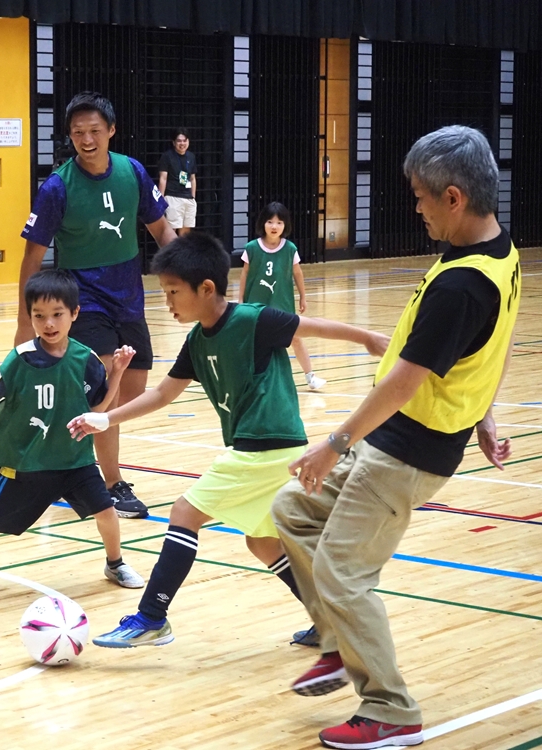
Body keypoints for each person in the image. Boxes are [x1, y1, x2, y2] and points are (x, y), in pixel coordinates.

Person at [271, 125, 519, 750]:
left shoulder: (464, 284)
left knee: (343, 570)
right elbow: (494, 342)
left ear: (455, 197)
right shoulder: (492, 250)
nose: (416, 207)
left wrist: (335, 442)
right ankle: (336, 642)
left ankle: (390, 710)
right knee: (292, 510)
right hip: (400, 441)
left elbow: (405, 382)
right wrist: (486, 413)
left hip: (408, 450)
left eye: (420, 197)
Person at [65, 232, 387, 650]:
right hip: (272, 449)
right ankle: (327, 621)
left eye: (173, 292)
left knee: (184, 512)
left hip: (264, 444)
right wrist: (104, 418)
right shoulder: (197, 340)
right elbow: (162, 394)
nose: (168, 302)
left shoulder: (253, 320)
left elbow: (311, 327)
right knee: (263, 542)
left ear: (207, 289)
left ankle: (151, 616)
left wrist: (366, 338)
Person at [18, 92, 177, 520]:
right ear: (69, 137)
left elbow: (162, 230)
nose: (86, 140)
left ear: (111, 131)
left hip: (129, 296)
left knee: (131, 392)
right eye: (77, 133)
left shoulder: (133, 172)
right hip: (83, 297)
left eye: (94, 131)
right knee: (105, 388)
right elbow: (32, 259)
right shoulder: (56, 187)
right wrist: (23, 324)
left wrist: (187, 274)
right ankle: (110, 483)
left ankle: (58, 462)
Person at [0, 269, 145, 590]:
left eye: (57, 315)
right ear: (30, 317)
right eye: (39, 316)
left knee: (105, 510)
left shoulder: (86, 360)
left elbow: (97, 411)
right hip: (27, 461)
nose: (49, 323)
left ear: (74, 314)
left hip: (75, 459)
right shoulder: (21, 358)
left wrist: (116, 373)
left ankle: (115, 564)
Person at [240, 202, 326, 392]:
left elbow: (298, 273)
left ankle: (310, 377)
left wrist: (303, 296)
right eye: (270, 222)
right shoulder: (252, 248)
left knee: (296, 338)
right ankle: (247, 377)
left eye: (279, 223)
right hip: (256, 304)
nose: (274, 226)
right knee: (254, 341)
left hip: (282, 303)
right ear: (263, 223)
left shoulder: (290, 249)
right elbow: (245, 274)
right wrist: (240, 300)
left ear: (285, 225)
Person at [157, 129, 197, 236]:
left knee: (186, 232)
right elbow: (163, 178)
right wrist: (161, 199)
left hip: (188, 198)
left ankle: (183, 253)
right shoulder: (167, 156)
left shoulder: (191, 157)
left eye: (184, 140)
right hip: (173, 197)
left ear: (188, 141)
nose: (182, 143)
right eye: (179, 141)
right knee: (171, 231)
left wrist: (193, 196)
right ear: (174, 142)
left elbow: (192, 178)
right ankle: (172, 253)